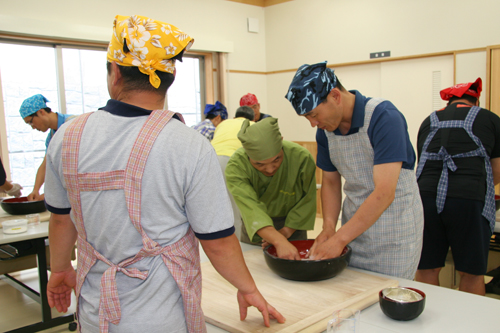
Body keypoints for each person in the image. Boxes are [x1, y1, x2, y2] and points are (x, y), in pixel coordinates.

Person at [44, 15, 285, 332]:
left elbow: (62, 219)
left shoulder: (67, 136)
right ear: (168, 79)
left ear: (115, 72)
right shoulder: (188, 145)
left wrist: (60, 270)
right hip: (163, 318)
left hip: (96, 311)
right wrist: (249, 289)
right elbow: (217, 242)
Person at [285, 61, 423, 279]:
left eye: (313, 115)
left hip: (395, 229)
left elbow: (384, 193)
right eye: (307, 118)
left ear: (336, 97)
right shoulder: (326, 131)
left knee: (387, 293)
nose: (313, 124)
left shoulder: (384, 117)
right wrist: (330, 227)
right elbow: (330, 182)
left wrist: (339, 239)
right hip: (353, 229)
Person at [414, 78, 500, 295]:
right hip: (468, 198)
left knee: (426, 267)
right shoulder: (490, 119)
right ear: (476, 101)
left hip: (425, 198)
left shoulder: (429, 120)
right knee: (470, 272)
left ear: (449, 102)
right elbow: (497, 170)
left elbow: (423, 162)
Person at [225, 117, 317, 259]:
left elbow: (307, 200)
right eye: (259, 164)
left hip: (293, 225)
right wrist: (277, 239)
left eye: (277, 160)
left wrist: (285, 233)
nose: (269, 169)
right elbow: (251, 209)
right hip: (257, 229)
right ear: (247, 153)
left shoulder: (301, 158)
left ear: (281, 141)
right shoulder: (237, 166)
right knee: (255, 268)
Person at [19, 94, 75, 201]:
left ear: (41, 112)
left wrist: (50, 194)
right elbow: (46, 164)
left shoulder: (73, 124)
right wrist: (36, 190)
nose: (33, 127)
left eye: (30, 121)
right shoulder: (52, 137)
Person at [211, 105, 255, 240]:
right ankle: (237, 247)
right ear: (252, 118)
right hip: (232, 161)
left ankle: (219, 244)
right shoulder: (253, 125)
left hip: (210, 162)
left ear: (235, 117)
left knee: (216, 208)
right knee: (235, 210)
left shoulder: (223, 124)